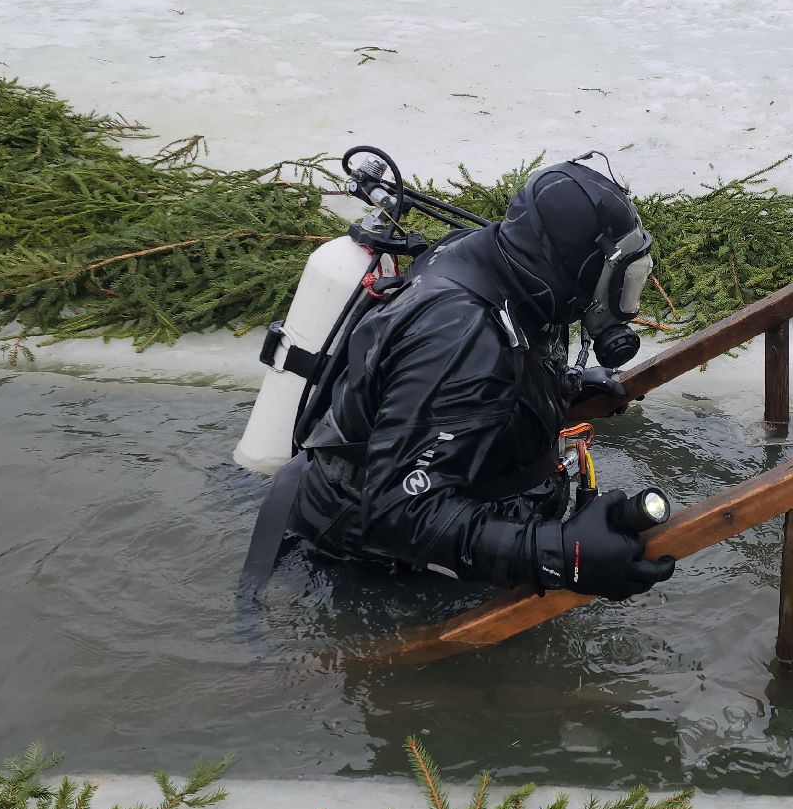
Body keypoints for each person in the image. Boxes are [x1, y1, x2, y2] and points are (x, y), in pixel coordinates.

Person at [267, 160, 676, 601]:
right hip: (375, 560)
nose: (622, 298)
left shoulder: (510, 267)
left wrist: (560, 387)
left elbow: (493, 375)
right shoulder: (462, 338)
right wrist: (558, 554)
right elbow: (396, 510)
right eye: (620, 279)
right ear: (576, 268)